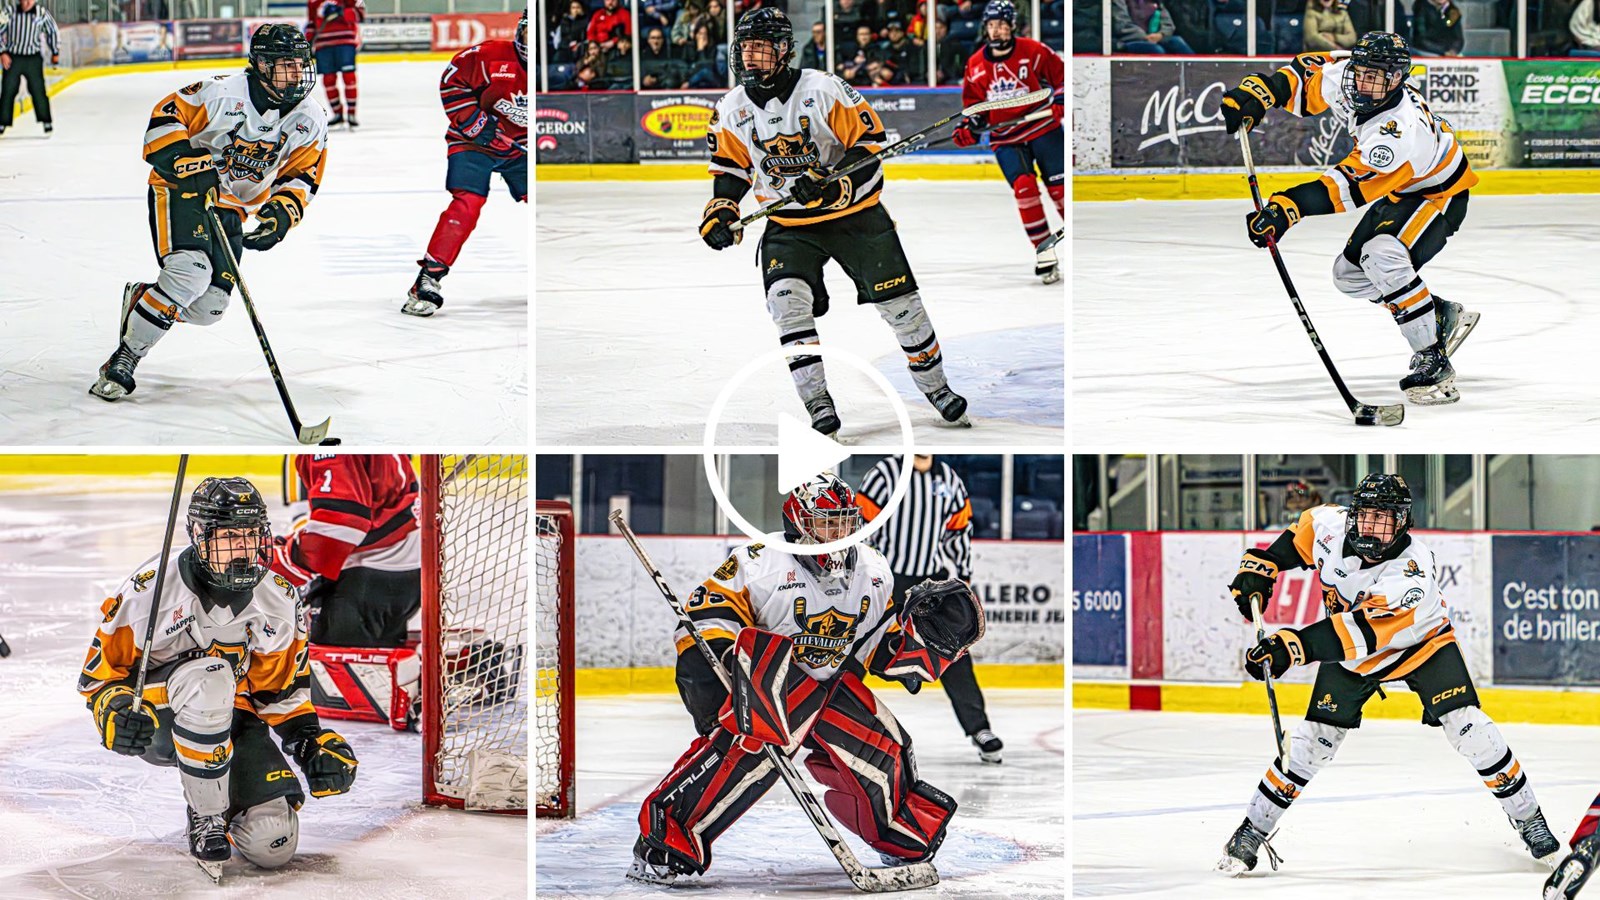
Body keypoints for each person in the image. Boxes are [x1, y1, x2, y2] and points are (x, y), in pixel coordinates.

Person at [626, 474, 978, 884]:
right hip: (764, 687)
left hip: (826, 685)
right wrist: (730, 681)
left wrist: (916, 642)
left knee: (885, 746)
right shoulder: (759, 561)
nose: (840, 532)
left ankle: (900, 836)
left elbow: (870, 640)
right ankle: (665, 842)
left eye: (846, 521)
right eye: (828, 522)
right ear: (798, 520)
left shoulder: (874, 569)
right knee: (746, 755)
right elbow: (705, 620)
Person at [1216, 473, 1559, 875]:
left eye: (1384, 520)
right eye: (1366, 517)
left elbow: (1358, 632)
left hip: (1421, 647)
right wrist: (1263, 566)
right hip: (1353, 658)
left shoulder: (1410, 573)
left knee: (1472, 731)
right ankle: (1252, 829)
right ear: (1352, 515)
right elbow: (1296, 539)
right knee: (1313, 744)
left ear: (1403, 523)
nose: (1372, 529)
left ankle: (1529, 818)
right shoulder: (1327, 524)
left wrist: (1291, 647)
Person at [700, 8, 971, 436]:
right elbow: (730, 170)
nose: (750, 57)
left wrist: (828, 179)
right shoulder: (731, 108)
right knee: (787, 305)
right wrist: (722, 210)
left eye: (760, 48)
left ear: (784, 50)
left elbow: (869, 149)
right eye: (745, 48)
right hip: (789, 225)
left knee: (903, 310)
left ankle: (936, 388)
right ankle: (818, 402)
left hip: (856, 217)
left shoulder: (824, 89)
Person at [78, 477, 357, 880]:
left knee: (272, 841)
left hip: (234, 718)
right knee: (211, 677)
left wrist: (310, 741)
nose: (242, 550)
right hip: (161, 719)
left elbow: (278, 690)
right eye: (228, 537)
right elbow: (99, 676)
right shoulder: (150, 590)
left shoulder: (278, 598)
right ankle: (207, 816)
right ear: (198, 535)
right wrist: (115, 709)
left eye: (250, 536)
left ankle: (217, 790)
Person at [1221, 32, 1481, 405]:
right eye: (1361, 71)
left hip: (1439, 194)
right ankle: (1436, 312)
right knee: (1350, 277)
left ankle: (1432, 358)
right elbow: (1303, 75)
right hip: (1401, 192)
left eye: (1375, 76)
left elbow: (1343, 188)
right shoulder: (1350, 75)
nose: (1363, 81)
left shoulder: (1396, 132)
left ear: (1397, 79)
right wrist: (1262, 92)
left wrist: (1285, 208)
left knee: (1382, 256)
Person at [89, 24, 327, 403]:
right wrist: (183, 161)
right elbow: (166, 116)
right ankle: (125, 357)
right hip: (183, 191)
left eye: (300, 64)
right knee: (189, 273)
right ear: (263, 66)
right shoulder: (220, 93)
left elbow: (303, 175)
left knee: (209, 308)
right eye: (286, 65)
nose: (297, 74)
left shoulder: (310, 118)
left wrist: (279, 215)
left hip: (232, 207)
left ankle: (145, 302)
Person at [857, 454, 1003, 764]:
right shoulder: (885, 474)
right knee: (859, 647)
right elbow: (862, 527)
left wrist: (962, 577)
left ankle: (979, 729)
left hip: (929, 583)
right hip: (887, 579)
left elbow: (959, 529)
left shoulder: (949, 479)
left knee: (955, 651)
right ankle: (823, 719)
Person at [404, 11, 526, 317]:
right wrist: (477, 125)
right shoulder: (490, 56)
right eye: (526, 33)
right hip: (474, 142)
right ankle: (428, 280)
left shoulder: (552, 71)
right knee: (468, 203)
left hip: (519, 148)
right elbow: (451, 81)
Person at [953, 0, 1065, 284]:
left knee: (1062, 192)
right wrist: (972, 126)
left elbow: (1062, 77)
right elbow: (973, 107)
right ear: (985, 28)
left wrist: (1061, 102)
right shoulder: (976, 65)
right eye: (992, 25)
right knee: (1024, 189)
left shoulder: (1034, 51)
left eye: (1002, 24)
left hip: (1042, 128)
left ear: (1012, 26)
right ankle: (1044, 252)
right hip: (1006, 137)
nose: (997, 30)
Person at [272, 454, 420, 647]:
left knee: (315, 663)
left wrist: (280, 562)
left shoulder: (330, 443)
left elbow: (340, 526)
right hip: (408, 572)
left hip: (366, 583)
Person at [0, 0, 59, 136]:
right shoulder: (9, 12)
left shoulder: (41, 13)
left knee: (38, 90)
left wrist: (55, 51)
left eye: (30, 0)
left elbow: (52, 31)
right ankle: (2, 122)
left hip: (33, 58)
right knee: (8, 90)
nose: (27, 3)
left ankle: (46, 121)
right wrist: (2, 52)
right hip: (13, 57)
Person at [305, 0, 363, 128]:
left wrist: (342, 11)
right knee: (328, 80)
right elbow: (311, 22)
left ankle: (351, 114)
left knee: (349, 78)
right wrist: (308, 42)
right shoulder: (313, 1)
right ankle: (337, 114)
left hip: (345, 42)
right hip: (323, 45)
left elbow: (360, 13)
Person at [1111, 0, 1196, 53]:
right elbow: (1121, 25)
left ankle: (1200, 74)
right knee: (1157, 50)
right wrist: (1145, 37)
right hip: (1127, 41)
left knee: (1176, 41)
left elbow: (1168, 24)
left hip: (1155, 38)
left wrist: (1161, 35)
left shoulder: (1156, 1)